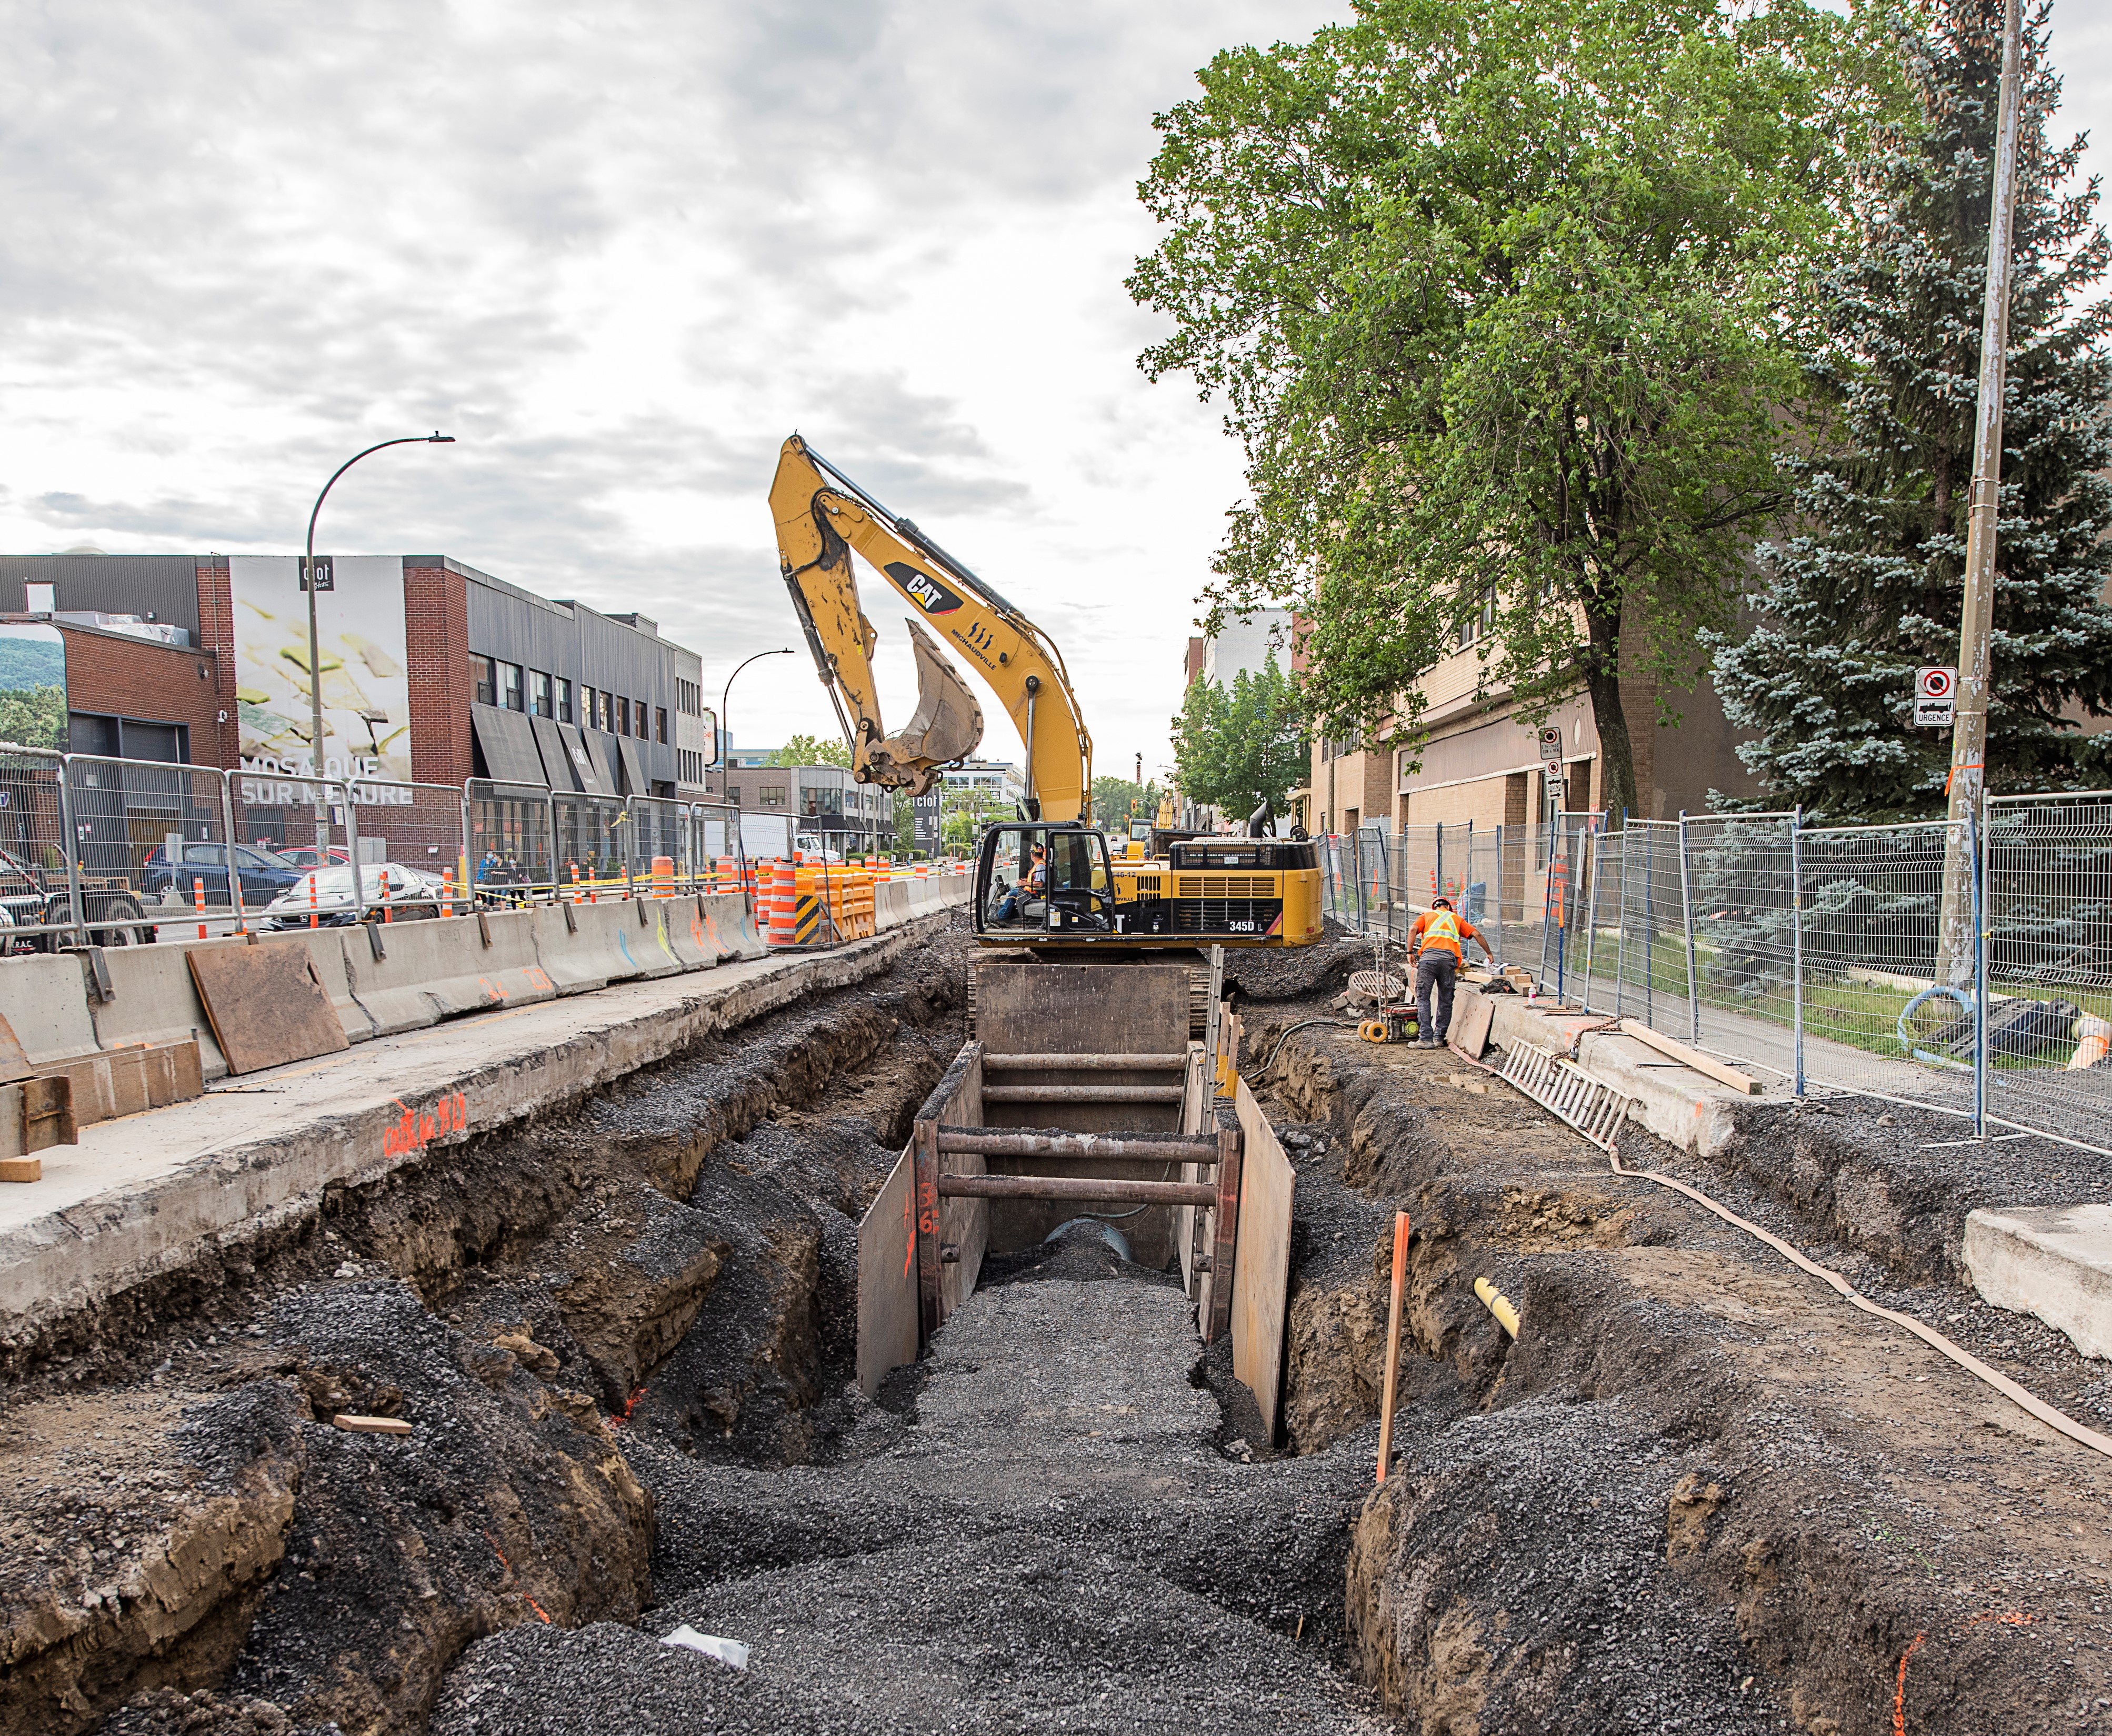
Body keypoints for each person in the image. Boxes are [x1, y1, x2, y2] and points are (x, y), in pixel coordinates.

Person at [1407, 895, 1491, 1048]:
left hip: (1428, 961)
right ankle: (1439, 1038)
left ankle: (1426, 1039)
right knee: (1445, 1000)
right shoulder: (1456, 919)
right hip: (1448, 963)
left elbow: (1413, 929)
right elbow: (1477, 934)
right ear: (1449, 908)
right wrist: (1489, 954)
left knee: (1423, 998)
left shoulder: (1427, 916)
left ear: (1435, 907)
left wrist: (1409, 952)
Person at [992, 844, 1046, 923]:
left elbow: (1040, 884)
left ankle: (1002, 917)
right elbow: (1036, 879)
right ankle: (1007, 914)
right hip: (1033, 891)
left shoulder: (1040, 866)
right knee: (1014, 890)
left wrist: (1025, 884)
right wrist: (1026, 881)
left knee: (1013, 894)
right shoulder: (1040, 864)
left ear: (1033, 854)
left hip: (1035, 894)